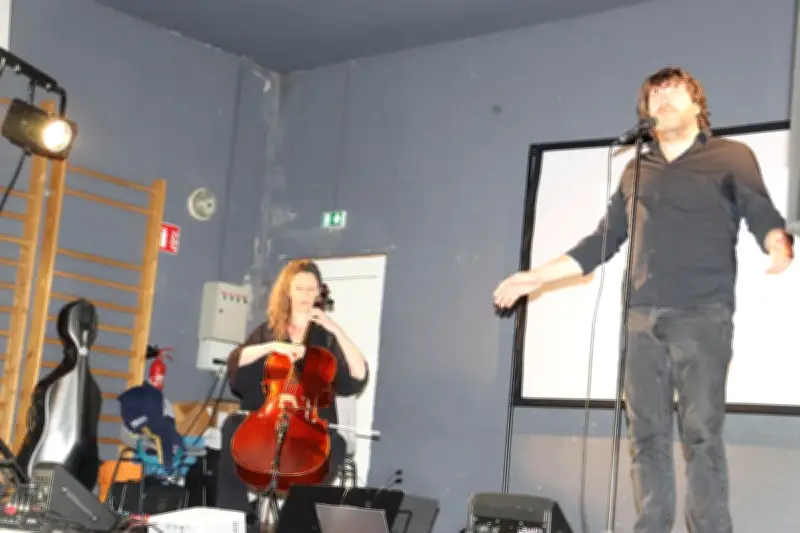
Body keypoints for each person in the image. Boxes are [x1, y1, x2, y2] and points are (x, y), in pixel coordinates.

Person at [493, 66, 793, 533]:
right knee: (646, 436)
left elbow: (759, 208)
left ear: (698, 104)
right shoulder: (637, 169)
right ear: (646, 112)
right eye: (655, 95)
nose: (663, 99)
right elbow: (602, 241)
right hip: (639, 319)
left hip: (703, 315)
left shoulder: (730, 155)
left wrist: (776, 240)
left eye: (674, 91)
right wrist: (534, 278)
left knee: (700, 435)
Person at [216, 259, 369, 526]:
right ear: (287, 291)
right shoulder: (268, 332)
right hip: (267, 423)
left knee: (336, 446)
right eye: (300, 289)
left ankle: (297, 524)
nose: (306, 296)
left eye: (312, 290)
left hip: (308, 427)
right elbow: (237, 361)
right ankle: (234, 522)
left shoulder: (326, 339)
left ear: (320, 293)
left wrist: (335, 328)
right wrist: (274, 347)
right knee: (232, 429)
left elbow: (358, 375)